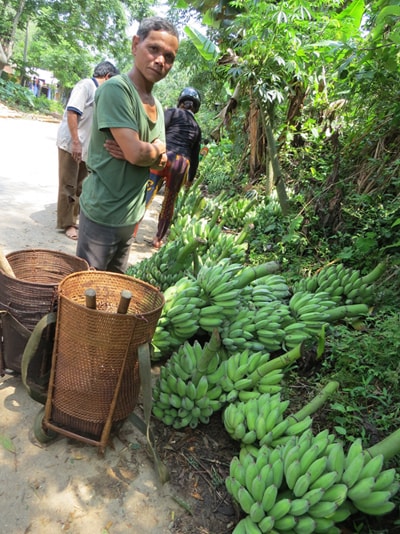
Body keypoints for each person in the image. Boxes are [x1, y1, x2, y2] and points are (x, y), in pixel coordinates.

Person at [76, 17, 179, 272]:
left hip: (130, 216)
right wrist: (148, 150)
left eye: (169, 56)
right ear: (135, 45)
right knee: (85, 294)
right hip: (103, 215)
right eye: (153, 49)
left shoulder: (156, 104)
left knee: (111, 295)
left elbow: (162, 158)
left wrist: (150, 152)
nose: (160, 60)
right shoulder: (116, 90)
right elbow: (137, 153)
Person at [106, 87, 202, 249]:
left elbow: (157, 132)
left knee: (146, 194)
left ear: (181, 102)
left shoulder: (172, 112)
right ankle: (158, 238)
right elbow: (195, 155)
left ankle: (131, 232)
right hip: (181, 163)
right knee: (169, 201)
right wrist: (190, 179)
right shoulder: (197, 127)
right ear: (195, 107)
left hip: (163, 157)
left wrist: (142, 150)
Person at [56, 60, 119, 240]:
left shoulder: (100, 93)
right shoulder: (86, 86)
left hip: (85, 148)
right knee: (68, 183)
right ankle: (67, 223)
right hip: (71, 143)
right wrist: (76, 141)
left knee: (81, 185)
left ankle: (73, 219)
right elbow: (72, 112)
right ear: (107, 77)